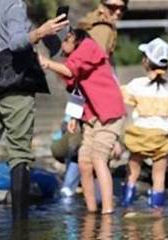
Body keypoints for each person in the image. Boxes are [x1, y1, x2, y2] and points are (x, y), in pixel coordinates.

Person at [39, 28, 126, 214]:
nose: (61, 50)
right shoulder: (72, 58)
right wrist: (73, 116)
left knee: (98, 158)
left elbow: (71, 72)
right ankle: (92, 210)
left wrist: (47, 63)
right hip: (90, 116)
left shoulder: (88, 47)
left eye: (62, 44)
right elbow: (76, 89)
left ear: (72, 38)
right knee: (84, 162)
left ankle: (108, 211)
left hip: (109, 112)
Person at [0, 0, 69, 219]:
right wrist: (40, 32)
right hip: (12, 83)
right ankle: (21, 233)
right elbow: (18, 42)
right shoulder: (13, 4)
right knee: (19, 154)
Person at [120, 37, 168, 215]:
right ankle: (157, 209)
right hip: (162, 136)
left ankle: (127, 205)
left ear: (145, 62)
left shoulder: (136, 84)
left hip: (139, 135)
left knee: (133, 171)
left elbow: (125, 104)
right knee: (159, 176)